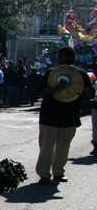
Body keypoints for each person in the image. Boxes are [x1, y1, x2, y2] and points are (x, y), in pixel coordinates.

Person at [35, 46, 95, 183]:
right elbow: (41, 91)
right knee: (46, 147)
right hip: (49, 116)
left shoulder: (81, 74)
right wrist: (58, 87)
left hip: (70, 117)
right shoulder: (51, 73)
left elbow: (91, 93)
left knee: (63, 147)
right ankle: (44, 174)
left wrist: (75, 86)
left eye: (61, 57)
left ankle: (58, 172)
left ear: (70, 58)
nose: (58, 60)